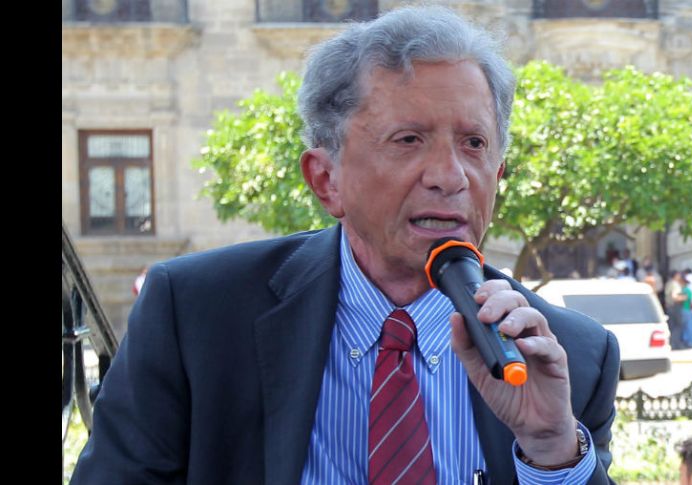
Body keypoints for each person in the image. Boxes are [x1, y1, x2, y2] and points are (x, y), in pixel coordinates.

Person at [72, 7, 620, 484]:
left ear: (497, 176)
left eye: (473, 143)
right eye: (409, 140)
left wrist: (552, 449)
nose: (450, 176)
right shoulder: (196, 316)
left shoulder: (572, 357)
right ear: (326, 178)